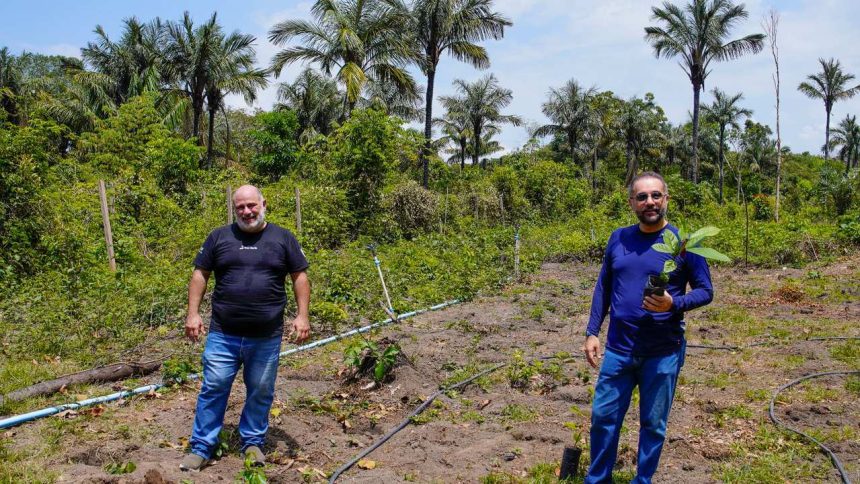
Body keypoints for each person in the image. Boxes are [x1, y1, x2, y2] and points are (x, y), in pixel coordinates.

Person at [582, 172, 713, 483]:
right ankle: (598, 479)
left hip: (662, 352)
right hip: (618, 350)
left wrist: (673, 303)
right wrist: (592, 331)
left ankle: (642, 480)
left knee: (653, 424)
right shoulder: (619, 238)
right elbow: (604, 285)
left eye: (656, 195)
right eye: (642, 197)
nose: (649, 202)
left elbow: (706, 291)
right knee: (604, 418)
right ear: (632, 203)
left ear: (666, 199)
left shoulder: (683, 244)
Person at [180, 184, 311, 472]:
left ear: (263, 203)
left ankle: (252, 442)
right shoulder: (219, 237)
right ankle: (202, 446)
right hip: (223, 334)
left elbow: (299, 276)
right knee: (214, 387)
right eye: (240, 207)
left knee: (261, 390)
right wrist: (193, 313)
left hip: (265, 336)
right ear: (234, 208)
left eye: (251, 205)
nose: (247, 211)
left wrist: (302, 316)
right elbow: (200, 273)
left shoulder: (283, 238)